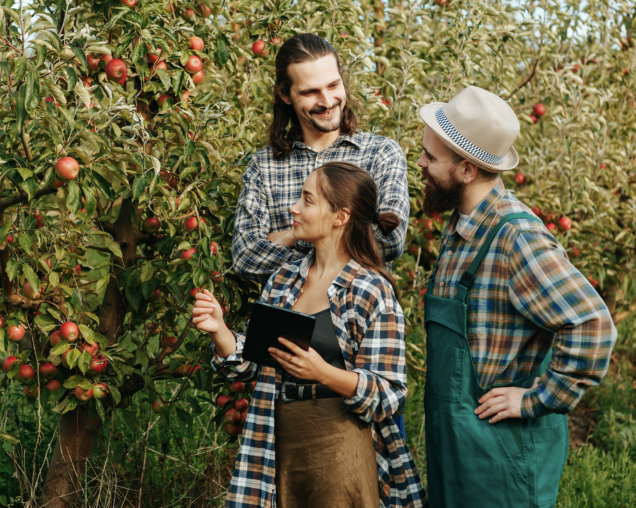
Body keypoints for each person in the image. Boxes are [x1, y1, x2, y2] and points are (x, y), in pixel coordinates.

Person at [417, 86, 617, 507]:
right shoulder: (462, 231)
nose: (420, 163)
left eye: (430, 158)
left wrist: (536, 398)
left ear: (467, 169)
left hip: (500, 455)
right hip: (457, 446)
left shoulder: (514, 237)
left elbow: (593, 325)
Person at [194, 162, 426, 508]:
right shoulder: (285, 279)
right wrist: (220, 331)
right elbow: (256, 363)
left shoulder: (370, 290)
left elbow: (389, 393)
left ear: (340, 217)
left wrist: (323, 373)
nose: (294, 208)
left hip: (341, 442)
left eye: (307, 200)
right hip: (278, 438)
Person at [232, 33, 409, 284]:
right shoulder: (264, 165)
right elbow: (246, 256)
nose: (327, 101)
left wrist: (292, 236)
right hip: (287, 320)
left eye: (333, 85)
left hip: (358, 317)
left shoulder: (380, 154)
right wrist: (341, 241)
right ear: (285, 95)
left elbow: (389, 241)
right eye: (310, 92)